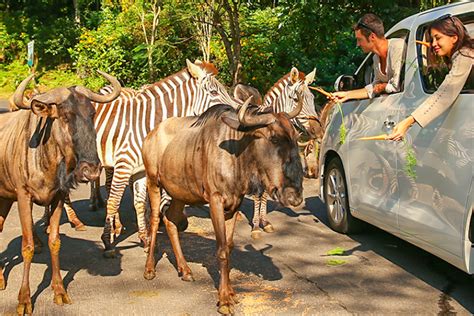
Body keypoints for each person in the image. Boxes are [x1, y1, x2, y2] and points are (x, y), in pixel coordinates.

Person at [387, 14, 473, 141]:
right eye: (432, 40)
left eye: (438, 38)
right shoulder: (460, 54)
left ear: (454, 37)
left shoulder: (464, 55)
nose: (434, 44)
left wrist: (407, 122)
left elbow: (445, 93)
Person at [331, 13, 406, 102]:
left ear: (372, 37)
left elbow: (395, 86)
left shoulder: (397, 47)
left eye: (359, 40)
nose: (358, 44)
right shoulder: (375, 58)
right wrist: (347, 95)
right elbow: (373, 88)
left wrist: (383, 86)